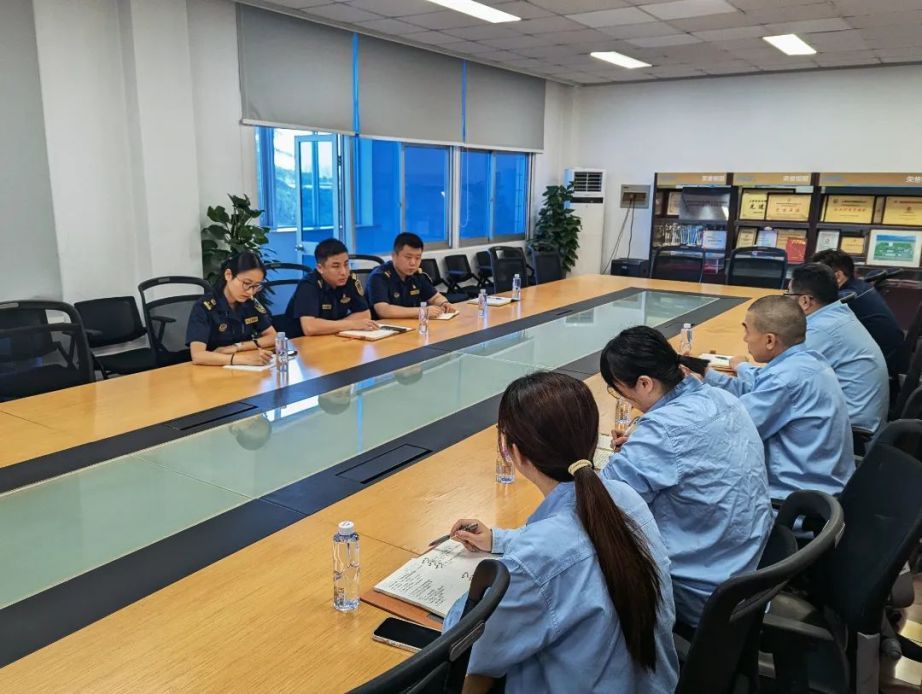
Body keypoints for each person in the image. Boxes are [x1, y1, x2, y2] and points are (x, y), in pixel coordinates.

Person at [441, 372, 679, 694]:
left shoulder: (536, 559)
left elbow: (465, 648)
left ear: (514, 453)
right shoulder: (625, 498)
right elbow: (579, 543)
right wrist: (500, 539)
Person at [599, 326, 772, 629]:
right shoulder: (722, 398)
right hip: (748, 571)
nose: (625, 399)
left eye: (619, 390)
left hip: (701, 592)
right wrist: (640, 450)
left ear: (644, 383)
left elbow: (603, 502)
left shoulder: (663, 430)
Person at [705, 295, 853, 500]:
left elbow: (729, 429)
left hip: (793, 499)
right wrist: (706, 376)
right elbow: (757, 388)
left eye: (747, 330)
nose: (745, 339)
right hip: (823, 485)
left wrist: (688, 397)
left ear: (770, 340)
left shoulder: (785, 380)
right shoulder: (809, 360)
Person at [788, 263, 889, 433]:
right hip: (856, 419)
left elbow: (784, 378)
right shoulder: (836, 314)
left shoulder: (820, 330)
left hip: (851, 431)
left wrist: (744, 368)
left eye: (788, 295)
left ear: (805, 301)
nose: (786, 302)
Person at [812, 249, 907, 376]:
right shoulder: (859, 286)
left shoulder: (847, 297)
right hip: (889, 358)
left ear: (838, 276)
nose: (810, 282)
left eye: (815, 277)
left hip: (881, 368)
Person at [186, 252, 276, 366]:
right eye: (246, 283)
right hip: (211, 368)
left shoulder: (250, 303)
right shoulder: (204, 306)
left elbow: (273, 337)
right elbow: (198, 356)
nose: (250, 292)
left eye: (256, 286)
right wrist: (244, 360)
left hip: (241, 367)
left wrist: (237, 347)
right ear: (228, 275)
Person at [284, 238, 377, 337]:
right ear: (320, 268)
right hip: (302, 342)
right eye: (336, 266)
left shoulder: (350, 279)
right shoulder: (308, 285)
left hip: (333, 336)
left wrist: (334, 326)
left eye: (346, 264)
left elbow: (365, 314)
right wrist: (351, 324)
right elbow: (310, 327)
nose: (344, 272)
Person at [366, 233, 454, 320]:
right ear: (394, 256)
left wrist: (444, 303)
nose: (413, 263)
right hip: (385, 326)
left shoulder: (418, 275)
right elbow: (383, 310)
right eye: (408, 257)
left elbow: (435, 297)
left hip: (412, 324)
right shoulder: (379, 277)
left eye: (417, 258)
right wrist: (421, 311)